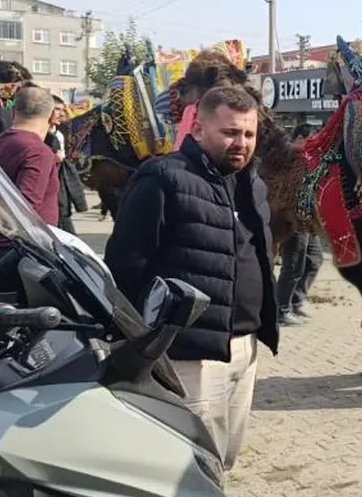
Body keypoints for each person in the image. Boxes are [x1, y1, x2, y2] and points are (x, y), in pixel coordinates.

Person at [104, 86, 278, 471]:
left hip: (244, 348)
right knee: (189, 462)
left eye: (249, 134)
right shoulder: (163, 178)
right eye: (230, 132)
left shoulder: (253, 185)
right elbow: (125, 268)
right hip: (190, 356)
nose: (241, 143)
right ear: (198, 130)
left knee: (225, 457)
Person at [0, 86, 60, 277]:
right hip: (20, 251)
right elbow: (25, 206)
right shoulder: (38, 151)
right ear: (50, 116)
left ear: (14, 111)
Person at [276, 124, 324, 326]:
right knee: (293, 266)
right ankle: (280, 310)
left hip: (308, 219)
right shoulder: (287, 158)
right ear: (300, 138)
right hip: (292, 218)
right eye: (312, 140)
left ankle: (295, 301)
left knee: (314, 260)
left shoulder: (310, 159)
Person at [47, 96, 87, 234]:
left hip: (61, 179)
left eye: (63, 110)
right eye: (57, 109)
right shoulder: (40, 134)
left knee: (63, 211)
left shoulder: (59, 134)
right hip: (48, 183)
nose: (62, 114)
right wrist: (52, 158)